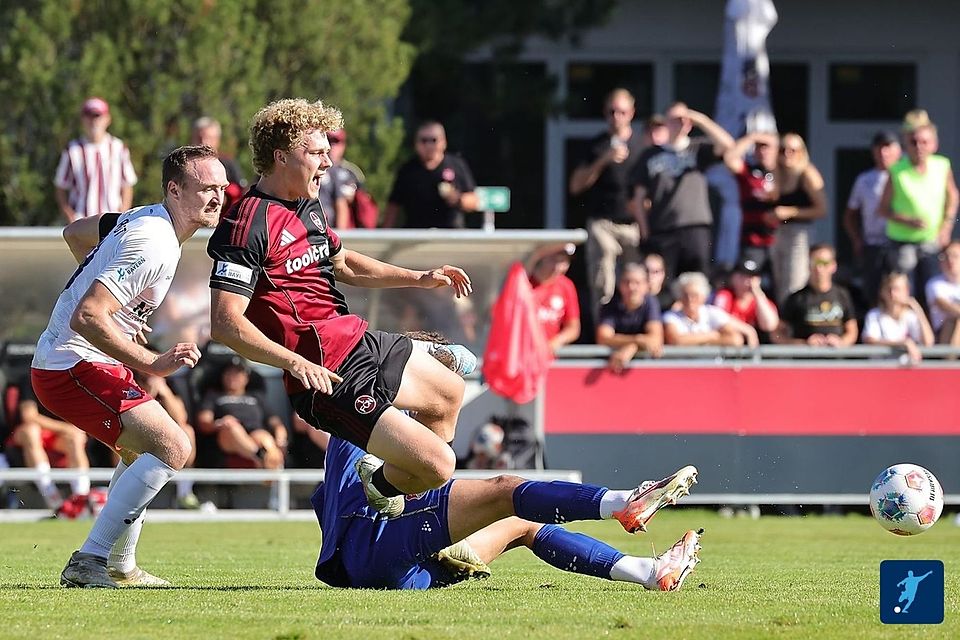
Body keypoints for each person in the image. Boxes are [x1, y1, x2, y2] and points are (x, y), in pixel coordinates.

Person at [206, 99, 474, 520]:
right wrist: (295, 363)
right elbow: (225, 324)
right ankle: (381, 487)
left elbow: (344, 262)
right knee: (439, 465)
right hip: (325, 375)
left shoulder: (306, 203)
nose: (329, 162)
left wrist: (418, 276)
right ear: (281, 156)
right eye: (317, 152)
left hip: (356, 340)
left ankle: (411, 520)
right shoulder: (246, 224)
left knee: (450, 393)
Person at [31, 144, 227, 588]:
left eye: (221, 188)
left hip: (79, 360)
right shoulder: (154, 240)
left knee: (143, 450)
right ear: (174, 190)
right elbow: (87, 316)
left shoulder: (144, 218)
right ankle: (89, 562)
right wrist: (153, 363)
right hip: (69, 365)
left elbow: (75, 233)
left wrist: (118, 311)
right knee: (174, 446)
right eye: (205, 189)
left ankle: (121, 566)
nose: (217, 198)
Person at [631, 102, 735, 280]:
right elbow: (638, 197)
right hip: (663, 229)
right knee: (665, 285)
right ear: (665, 122)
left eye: (684, 120)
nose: (680, 123)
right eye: (675, 119)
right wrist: (645, 231)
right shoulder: (650, 156)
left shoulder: (698, 149)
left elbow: (728, 145)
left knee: (698, 281)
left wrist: (700, 120)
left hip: (696, 228)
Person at [568, 88, 645, 312]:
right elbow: (575, 185)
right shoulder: (596, 146)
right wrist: (603, 160)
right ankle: (604, 329)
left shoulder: (642, 146)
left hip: (633, 225)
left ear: (631, 113)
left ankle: (633, 330)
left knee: (636, 283)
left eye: (621, 112)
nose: (616, 117)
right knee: (604, 284)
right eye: (612, 112)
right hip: (603, 224)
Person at [878, 112, 959, 300]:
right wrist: (907, 220)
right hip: (902, 243)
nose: (919, 147)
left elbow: (953, 196)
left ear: (934, 144)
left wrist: (946, 226)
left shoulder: (942, 166)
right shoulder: (896, 170)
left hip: (932, 241)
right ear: (906, 144)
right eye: (914, 142)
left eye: (924, 142)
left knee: (933, 291)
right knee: (904, 291)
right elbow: (883, 209)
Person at [4, 380, 91, 515]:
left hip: (57, 437)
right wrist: (65, 428)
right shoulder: (31, 381)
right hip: (27, 435)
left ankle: (81, 499)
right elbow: (29, 416)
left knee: (76, 438)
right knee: (31, 432)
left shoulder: (72, 382)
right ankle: (52, 498)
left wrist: (73, 431)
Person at [54, 97, 138, 223]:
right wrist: (69, 215)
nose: (93, 121)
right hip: (82, 221)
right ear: (83, 119)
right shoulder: (72, 150)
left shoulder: (118, 148)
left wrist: (123, 214)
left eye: (97, 116)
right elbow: (60, 186)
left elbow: (127, 185)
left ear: (107, 119)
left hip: (112, 221)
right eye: (89, 116)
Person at [196, 356, 287, 470]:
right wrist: (219, 423)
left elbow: (275, 422)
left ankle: (266, 459)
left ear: (246, 378)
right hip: (227, 435)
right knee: (232, 426)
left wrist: (281, 439)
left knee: (265, 438)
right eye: (229, 373)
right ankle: (261, 457)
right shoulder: (214, 395)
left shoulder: (256, 396)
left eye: (237, 373)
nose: (233, 377)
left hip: (255, 433)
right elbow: (204, 421)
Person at [842, 131, 902, 306]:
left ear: (898, 150)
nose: (884, 153)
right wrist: (856, 239)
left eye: (888, 148)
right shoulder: (864, 180)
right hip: (873, 244)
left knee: (900, 291)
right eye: (879, 148)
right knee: (873, 293)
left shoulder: (906, 174)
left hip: (900, 243)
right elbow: (849, 215)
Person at [383, 121, 478, 228]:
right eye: (423, 141)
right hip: (415, 235)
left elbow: (474, 200)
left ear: (443, 142)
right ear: (416, 144)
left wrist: (458, 199)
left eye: (433, 140)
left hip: (450, 236)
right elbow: (393, 206)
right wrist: (384, 236)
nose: (429, 145)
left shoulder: (456, 165)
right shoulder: (407, 170)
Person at [770, 133, 827, 305]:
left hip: (800, 234)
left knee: (795, 282)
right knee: (779, 282)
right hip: (778, 232)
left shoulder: (807, 174)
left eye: (793, 150)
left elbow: (822, 210)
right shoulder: (777, 174)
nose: (787, 154)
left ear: (802, 152)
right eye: (783, 150)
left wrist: (790, 212)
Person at [133, 370, 200, 508]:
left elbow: (181, 418)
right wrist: (149, 394)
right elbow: (137, 418)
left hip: (165, 440)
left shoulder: (172, 385)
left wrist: (164, 392)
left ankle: (184, 493)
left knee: (187, 431)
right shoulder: (130, 381)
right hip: (138, 436)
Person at [772, 244, 858, 347]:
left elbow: (852, 331)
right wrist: (803, 344)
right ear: (808, 266)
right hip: (807, 360)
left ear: (833, 266)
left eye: (824, 263)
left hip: (836, 360)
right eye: (814, 263)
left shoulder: (842, 295)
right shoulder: (797, 298)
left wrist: (841, 342)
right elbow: (776, 335)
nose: (819, 269)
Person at [723, 132, 780, 273]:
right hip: (752, 241)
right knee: (749, 280)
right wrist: (752, 137)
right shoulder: (749, 172)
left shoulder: (784, 174)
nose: (763, 151)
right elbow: (730, 159)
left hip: (779, 241)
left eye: (766, 147)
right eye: (758, 147)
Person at [596, 263, 663, 372]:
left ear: (646, 286)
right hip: (612, 366)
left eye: (637, 283)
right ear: (620, 285)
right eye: (627, 282)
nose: (631, 287)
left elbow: (655, 340)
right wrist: (637, 340)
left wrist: (632, 348)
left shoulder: (651, 303)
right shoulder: (610, 305)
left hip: (645, 368)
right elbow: (603, 337)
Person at [664, 272, 759, 347]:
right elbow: (676, 341)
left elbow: (735, 339)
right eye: (685, 295)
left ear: (703, 297)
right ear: (679, 297)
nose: (690, 299)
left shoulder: (712, 312)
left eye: (695, 295)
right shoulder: (671, 316)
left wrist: (694, 341)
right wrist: (711, 335)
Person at [862, 272, 934, 363]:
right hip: (881, 369)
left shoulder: (911, 316)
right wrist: (902, 343)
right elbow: (870, 340)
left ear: (906, 291)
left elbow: (928, 342)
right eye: (889, 289)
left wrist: (918, 309)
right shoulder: (874, 315)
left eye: (897, 289)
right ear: (882, 292)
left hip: (907, 371)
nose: (892, 293)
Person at [524, 243, 581, 354]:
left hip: (548, 358)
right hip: (522, 355)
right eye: (554, 260)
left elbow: (573, 328)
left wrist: (556, 342)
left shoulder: (566, 286)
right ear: (542, 257)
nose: (558, 267)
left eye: (564, 261)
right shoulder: (524, 282)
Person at [192, 117, 246, 215]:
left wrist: (223, 196)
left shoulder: (228, 164)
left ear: (217, 140)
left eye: (208, 138)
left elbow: (239, 192)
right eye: (199, 138)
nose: (203, 142)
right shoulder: (184, 165)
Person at [712, 259, 780, 337]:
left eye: (751, 277)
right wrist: (748, 330)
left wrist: (757, 293)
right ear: (733, 277)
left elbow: (769, 325)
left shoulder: (761, 300)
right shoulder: (725, 295)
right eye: (742, 276)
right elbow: (718, 319)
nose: (747, 281)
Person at [924, 241, 960, 345]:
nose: (950, 261)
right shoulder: (934, 284)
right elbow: (943, 304)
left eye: (955, 257)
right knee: (956, 320)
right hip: (943, 333)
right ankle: (951, 359)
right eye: (946, 257)